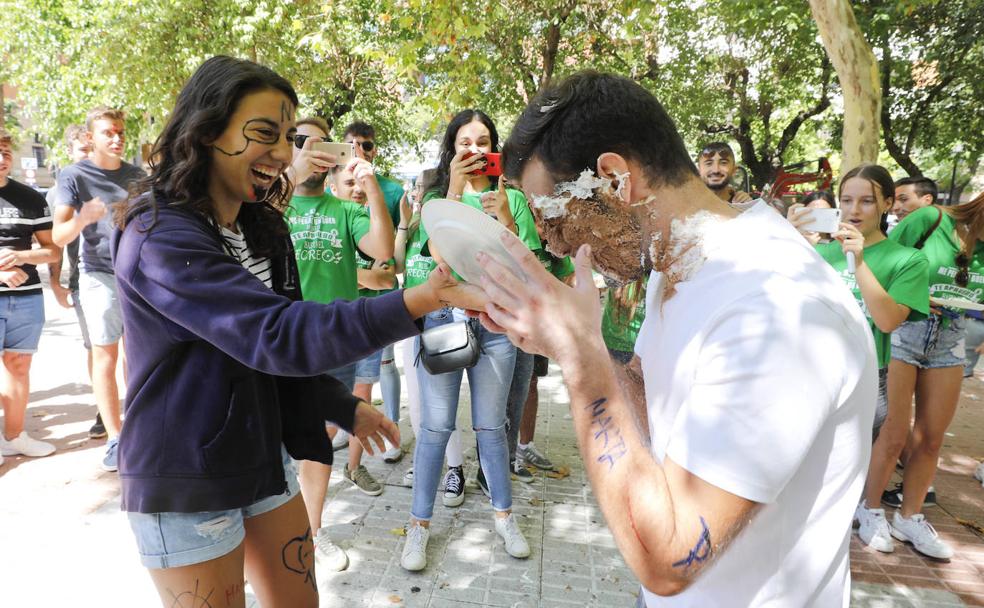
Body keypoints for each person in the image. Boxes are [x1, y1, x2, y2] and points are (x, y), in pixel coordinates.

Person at [480, 71, 875, 606]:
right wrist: (561, 341)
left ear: (615, 179)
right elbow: (650, 397)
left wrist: (581, 360)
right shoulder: (679, 261)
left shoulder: (776, 311)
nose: (549, 238)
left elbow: (668, 559)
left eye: (550, 211)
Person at [111, 55, 479, 608]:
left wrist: (340, 404)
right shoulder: (158, 235)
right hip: (187, 479)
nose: (284, 154)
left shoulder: (263, 227)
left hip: (263, 455)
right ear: (207, 131)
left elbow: (274, 352)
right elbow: (275, 333)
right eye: (265, 134)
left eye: (288, 136)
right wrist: (417, 301)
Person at [399, 109, 535, 572]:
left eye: (483, 141)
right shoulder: (437, 196)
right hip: (443, 319)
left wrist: (505, 220)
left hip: (495, 324)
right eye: (465, 142)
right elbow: (439, 258)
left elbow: (521, 265)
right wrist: (454, 194)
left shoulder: (511, 198)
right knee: (435, 428)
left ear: (495, 147)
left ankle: (504, 518)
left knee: (491, 427)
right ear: (452, 148)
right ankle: (418, 527)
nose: (475, 150)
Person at [284, 116, 395, 570]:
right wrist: (288, 180)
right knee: (277, 439)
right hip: (281, 339)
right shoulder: (274, 208)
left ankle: (311, 533)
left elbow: (383, 250)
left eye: (320, 143)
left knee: (317, 438)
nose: (312, 150)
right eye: (299, 142)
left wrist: (370, 189)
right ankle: (275, 534)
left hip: (335, 342)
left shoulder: (345, 210)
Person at [809, 165, 929, 555]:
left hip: (866, 379)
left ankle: (843, 534)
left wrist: (859, 262)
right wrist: (791, 240)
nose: (854, 209)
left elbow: (889, 319)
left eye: (866, 200)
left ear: (888, 204)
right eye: (846, 200)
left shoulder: (907, 260)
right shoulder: (819, 252)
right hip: (812, 373)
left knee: (847, 468)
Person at [873, 191, 984, 559]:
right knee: (893, 431)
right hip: (906, 327)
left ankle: (910, 516)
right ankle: (870, 510)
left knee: (931, 437)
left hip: (952, 337)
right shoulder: (932, 219)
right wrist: (912, 292)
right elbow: (882, 261)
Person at [52, 106, 146, 471]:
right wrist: (83, 217)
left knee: (137, 356)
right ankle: (114, 438)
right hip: (98, 275)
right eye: (108, 132)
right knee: (104, 357)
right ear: (90, 137)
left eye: (121, 131)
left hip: (136, 274)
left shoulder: (137, 175)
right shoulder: (73, 175)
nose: (117, 138)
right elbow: (59, 236)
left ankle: (138, 430)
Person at [394, 169, 467, 489]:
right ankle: (426, 462)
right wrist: (402, 222)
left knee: (442, 404)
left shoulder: (443, 233)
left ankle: (455, 468)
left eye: (426, 191)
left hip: (443, 324)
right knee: (419, 402)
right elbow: (395, 264)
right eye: (416, 190)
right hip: (412, 325)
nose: (419, 196)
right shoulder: (411, 231)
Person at [330, 156, 404, 464]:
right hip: (336, 325)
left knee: (362, 395)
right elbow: (371, 275)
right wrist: (364, 275)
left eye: (361, 183)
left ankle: (354, 467)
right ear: (332, 187)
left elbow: (387, 274)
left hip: (366, 323)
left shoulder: (369, 220)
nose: (357, 189)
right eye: (350, 183)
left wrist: (361, 275)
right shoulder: (331, 216)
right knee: (330, 406)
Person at [0, 128, 62, 464]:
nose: (1, 158)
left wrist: (23, 257)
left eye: (5, 151)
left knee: (19, 366)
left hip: (26, 298)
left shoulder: (31, 197)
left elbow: (52, 251)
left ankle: (14, 436)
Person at [47, 124, 102, 438]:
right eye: (82, 151)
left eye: (90, 150)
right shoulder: (60, 191)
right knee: (96, 348)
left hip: (117, 276)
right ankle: (102, 411)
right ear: (70, 152)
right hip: (83, 280)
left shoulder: (109, 180)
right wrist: (56, 283)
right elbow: (54, 241)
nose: (87, 157)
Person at [343, 121, 405, 228]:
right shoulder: (330, 191)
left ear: (374, 151)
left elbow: (404, 236)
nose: (360, 150)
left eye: (367, 146)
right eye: (352, 146)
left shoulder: (395, 192)